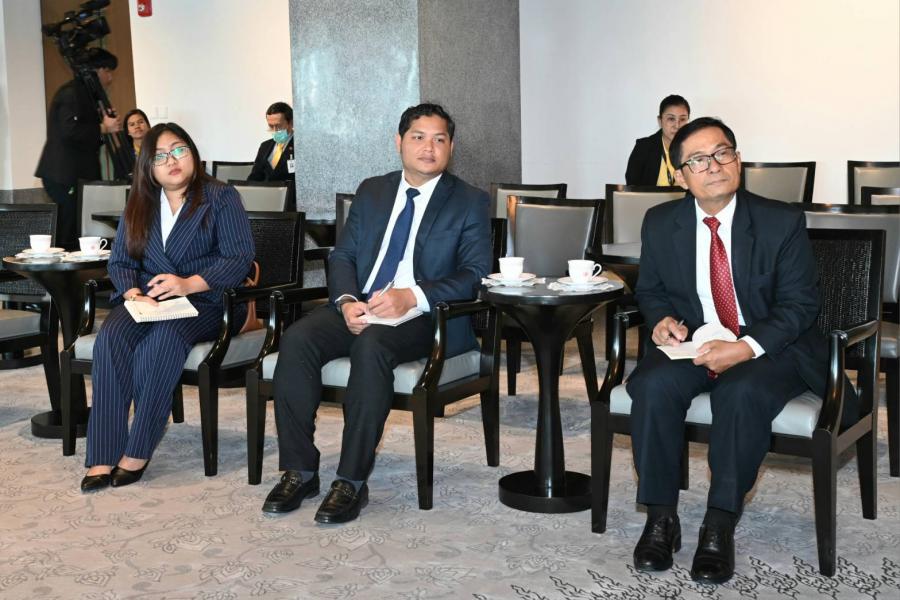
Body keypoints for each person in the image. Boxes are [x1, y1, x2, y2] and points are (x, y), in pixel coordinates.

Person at [625, 117, 849, 584]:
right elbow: (652, 291)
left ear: (738, 159)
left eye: (722, 152)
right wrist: (662, 320)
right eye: (698, 160)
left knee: (740, 393)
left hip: (772, 344)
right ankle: (661, 517)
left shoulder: (780, 220)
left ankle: (719, 523)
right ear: (680, 176)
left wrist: (745, 347)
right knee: (651, 384)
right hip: (698, 339)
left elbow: (800, 305)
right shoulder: (660, 222)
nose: (714, 166)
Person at [262, 103, 491, 523]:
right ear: (399, 142)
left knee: (371, 347)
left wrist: (413, 296)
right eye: (418, 137)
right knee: (297, 339)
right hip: (364, 304)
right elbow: (343, 255)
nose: (428, 148)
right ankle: (300, 470)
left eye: (439, 139)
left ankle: (351, 480)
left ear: (451, 147)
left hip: (426, 317)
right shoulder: (373, 190)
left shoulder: (469, 200)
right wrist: (347, 300)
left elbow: (475, 274)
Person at [79, 122, 255, 493]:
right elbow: (121, 262)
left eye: (178, 150)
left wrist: (188, 284)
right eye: (159, 156)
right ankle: (103, 452)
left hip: (209, 300)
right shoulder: (140, 202)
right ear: (148, 166)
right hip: (149, 301)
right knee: (111, 336)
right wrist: (132, 294)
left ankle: (138, 449)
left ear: (192, 153)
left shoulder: (220, 196)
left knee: (163, 340)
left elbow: (238, 258)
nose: (171, 161)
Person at [35, 47, 123, 249]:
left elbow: (87, 139)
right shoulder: (72, 93)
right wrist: (103, 127)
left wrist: (104, 126)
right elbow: (69, 130)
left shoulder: (85, 95)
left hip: (76, 173)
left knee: (75, 225)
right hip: (65, 174)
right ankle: (65, 265)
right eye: (108, 71)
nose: (110, 78)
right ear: (97, 71)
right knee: (69, 226)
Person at [625, 95, 690, 186]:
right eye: (671, 119)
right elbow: (632, 186)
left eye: (682, 119)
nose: (677, 125)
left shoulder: (694, 149)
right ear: (660, 121)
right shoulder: (644, 147)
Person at [248, 101, 295, 183]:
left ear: (291, 123)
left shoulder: (301, 146)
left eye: (278, 126)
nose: (274, 130)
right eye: (271, 126)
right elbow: (255, 176)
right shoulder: (265, 146)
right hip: (265, 190)